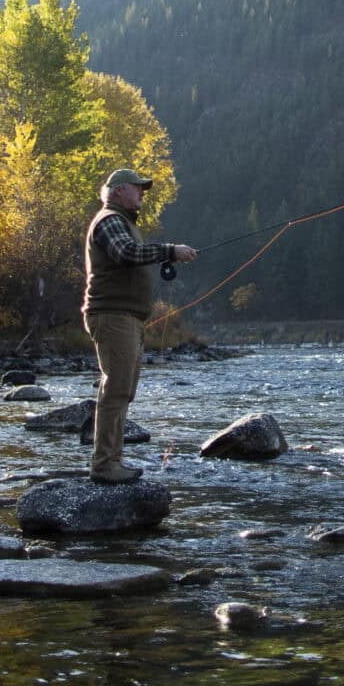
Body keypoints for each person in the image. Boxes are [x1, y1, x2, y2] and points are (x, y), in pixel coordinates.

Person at [82, 167, 197, 483]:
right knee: (116, 389)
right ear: (118, 190)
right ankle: (105, 466)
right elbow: (126, 253)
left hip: (126, 318)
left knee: (123, 390)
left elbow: (132, 253)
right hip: (113, 316)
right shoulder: (109, 221)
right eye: (137, 188)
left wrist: (166, 255)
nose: (142, 193)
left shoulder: (124, 223)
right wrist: (170, 251)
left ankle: (111, 461)